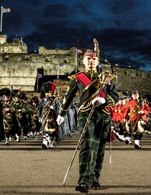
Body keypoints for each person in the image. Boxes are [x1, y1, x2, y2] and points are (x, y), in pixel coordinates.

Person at [56, 44, 118, 193]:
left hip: (103, 116)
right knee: (87, 145)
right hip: (85, 114)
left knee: (99, 148)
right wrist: (61, 114)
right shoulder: (77, 78)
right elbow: (68, 97)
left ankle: (95, 178)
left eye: (94, 58)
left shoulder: (106, 78)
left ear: (98, 61)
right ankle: (84, 180)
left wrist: (104, 101)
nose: (91, 61)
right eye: (88, 58)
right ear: (83, 61)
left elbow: (115, 96)